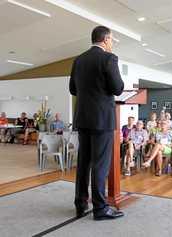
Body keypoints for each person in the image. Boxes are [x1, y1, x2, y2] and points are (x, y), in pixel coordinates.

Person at [69, 25, 124, 220]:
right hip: (102, 120)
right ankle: (100, 209)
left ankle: (80, 204)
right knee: (100, 165)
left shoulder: (79, 60)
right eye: (112, 40)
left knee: (84, 163)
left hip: (83, 118)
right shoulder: (109, 58)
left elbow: (73, 89)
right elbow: (118, 88)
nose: (112, 43)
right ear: (106, 40)